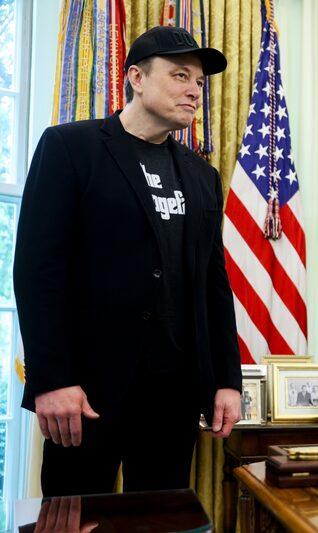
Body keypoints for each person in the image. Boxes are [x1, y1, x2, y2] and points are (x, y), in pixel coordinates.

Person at [14, 26, 243, 497]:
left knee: (161, 522)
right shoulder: (69, 148)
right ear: (136, 77)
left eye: (200, 82)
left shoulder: (203, 175)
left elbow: (213, 284)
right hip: (86, 394)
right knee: (73, 518)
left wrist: (227, 381)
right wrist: (52, 379)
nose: (194, 90)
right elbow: (38, 271)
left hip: (174, 396)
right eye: (181, 75)